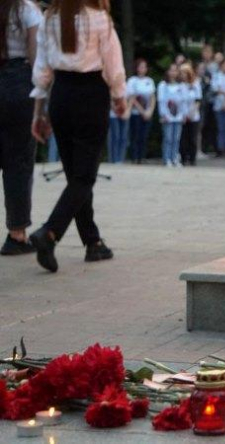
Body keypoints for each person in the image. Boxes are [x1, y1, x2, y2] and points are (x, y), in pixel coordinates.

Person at [28, 0, 126, 272]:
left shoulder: (50, 18)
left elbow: (42, 69)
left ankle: (92, 242)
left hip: (61, 94)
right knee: (84, 176)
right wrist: (119, 96)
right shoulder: (99, 18)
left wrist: (39, 112)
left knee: (76, 176)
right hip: (91, 94)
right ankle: (49, 232)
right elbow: (113, 63)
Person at [0, 0, 41, 256]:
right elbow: (36, 56)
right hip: (18, 84)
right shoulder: (26, 9)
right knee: (18, 162)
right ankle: (17, 233)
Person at [127, 58, 155, 164]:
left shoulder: (149, 81)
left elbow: (152, 97)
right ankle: (134, 157)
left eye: (144, 67)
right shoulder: (132, 81)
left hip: (147, 113)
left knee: (144, 136)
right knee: (136, 136)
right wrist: (142, 111)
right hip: (136, 113)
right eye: (141, 66)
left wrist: (150, 111)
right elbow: (132, 98)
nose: (143, 69)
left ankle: (142, 157)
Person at [157, 63, 185, 167]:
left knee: (176, 139)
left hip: (178, 116)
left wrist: (183, 114)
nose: (173, 73)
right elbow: (161, 101)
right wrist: (164, 114)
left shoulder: (181, 86)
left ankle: (175, 158)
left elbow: (183, 101)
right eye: (171, 70)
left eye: (175, 70)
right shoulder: (163, 85)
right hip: (167, 116)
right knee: (168, 138)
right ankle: (167, 158)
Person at [179, 63, 201, 166]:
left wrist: (191, 113)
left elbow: (197, 100)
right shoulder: (180, 85)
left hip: (193, 114)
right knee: (183, 138)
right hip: (182, 115)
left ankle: (192, 158)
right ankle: (183, 158)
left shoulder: (195, 84)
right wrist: (183, 115)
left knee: (193, 138)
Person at [106, 78, 129, 163]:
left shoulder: (126, 85)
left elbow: (129, 99)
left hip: (124, 115)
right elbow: (110, 99)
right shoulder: (111, 86)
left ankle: (121, 159)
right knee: (115, 137)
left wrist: (126, 112)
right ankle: (113, 159)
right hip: (113, 115)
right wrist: (117, 110)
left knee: (123, 138)